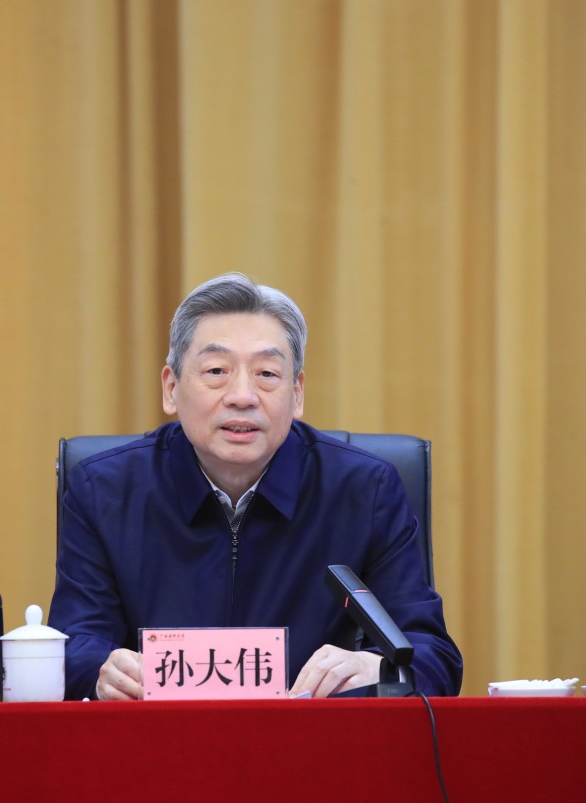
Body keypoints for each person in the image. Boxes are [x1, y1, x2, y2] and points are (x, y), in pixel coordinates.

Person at [48, 273, 462, 700]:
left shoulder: (364, 490)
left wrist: (377, 666)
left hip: (310, 737)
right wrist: (102, 670)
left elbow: (433, 656)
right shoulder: (104, 490)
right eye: (216, 371)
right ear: (171, 388)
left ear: (297, 394)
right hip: (159, 735)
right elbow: (72, 646)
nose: (242, 396)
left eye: (267, 373)